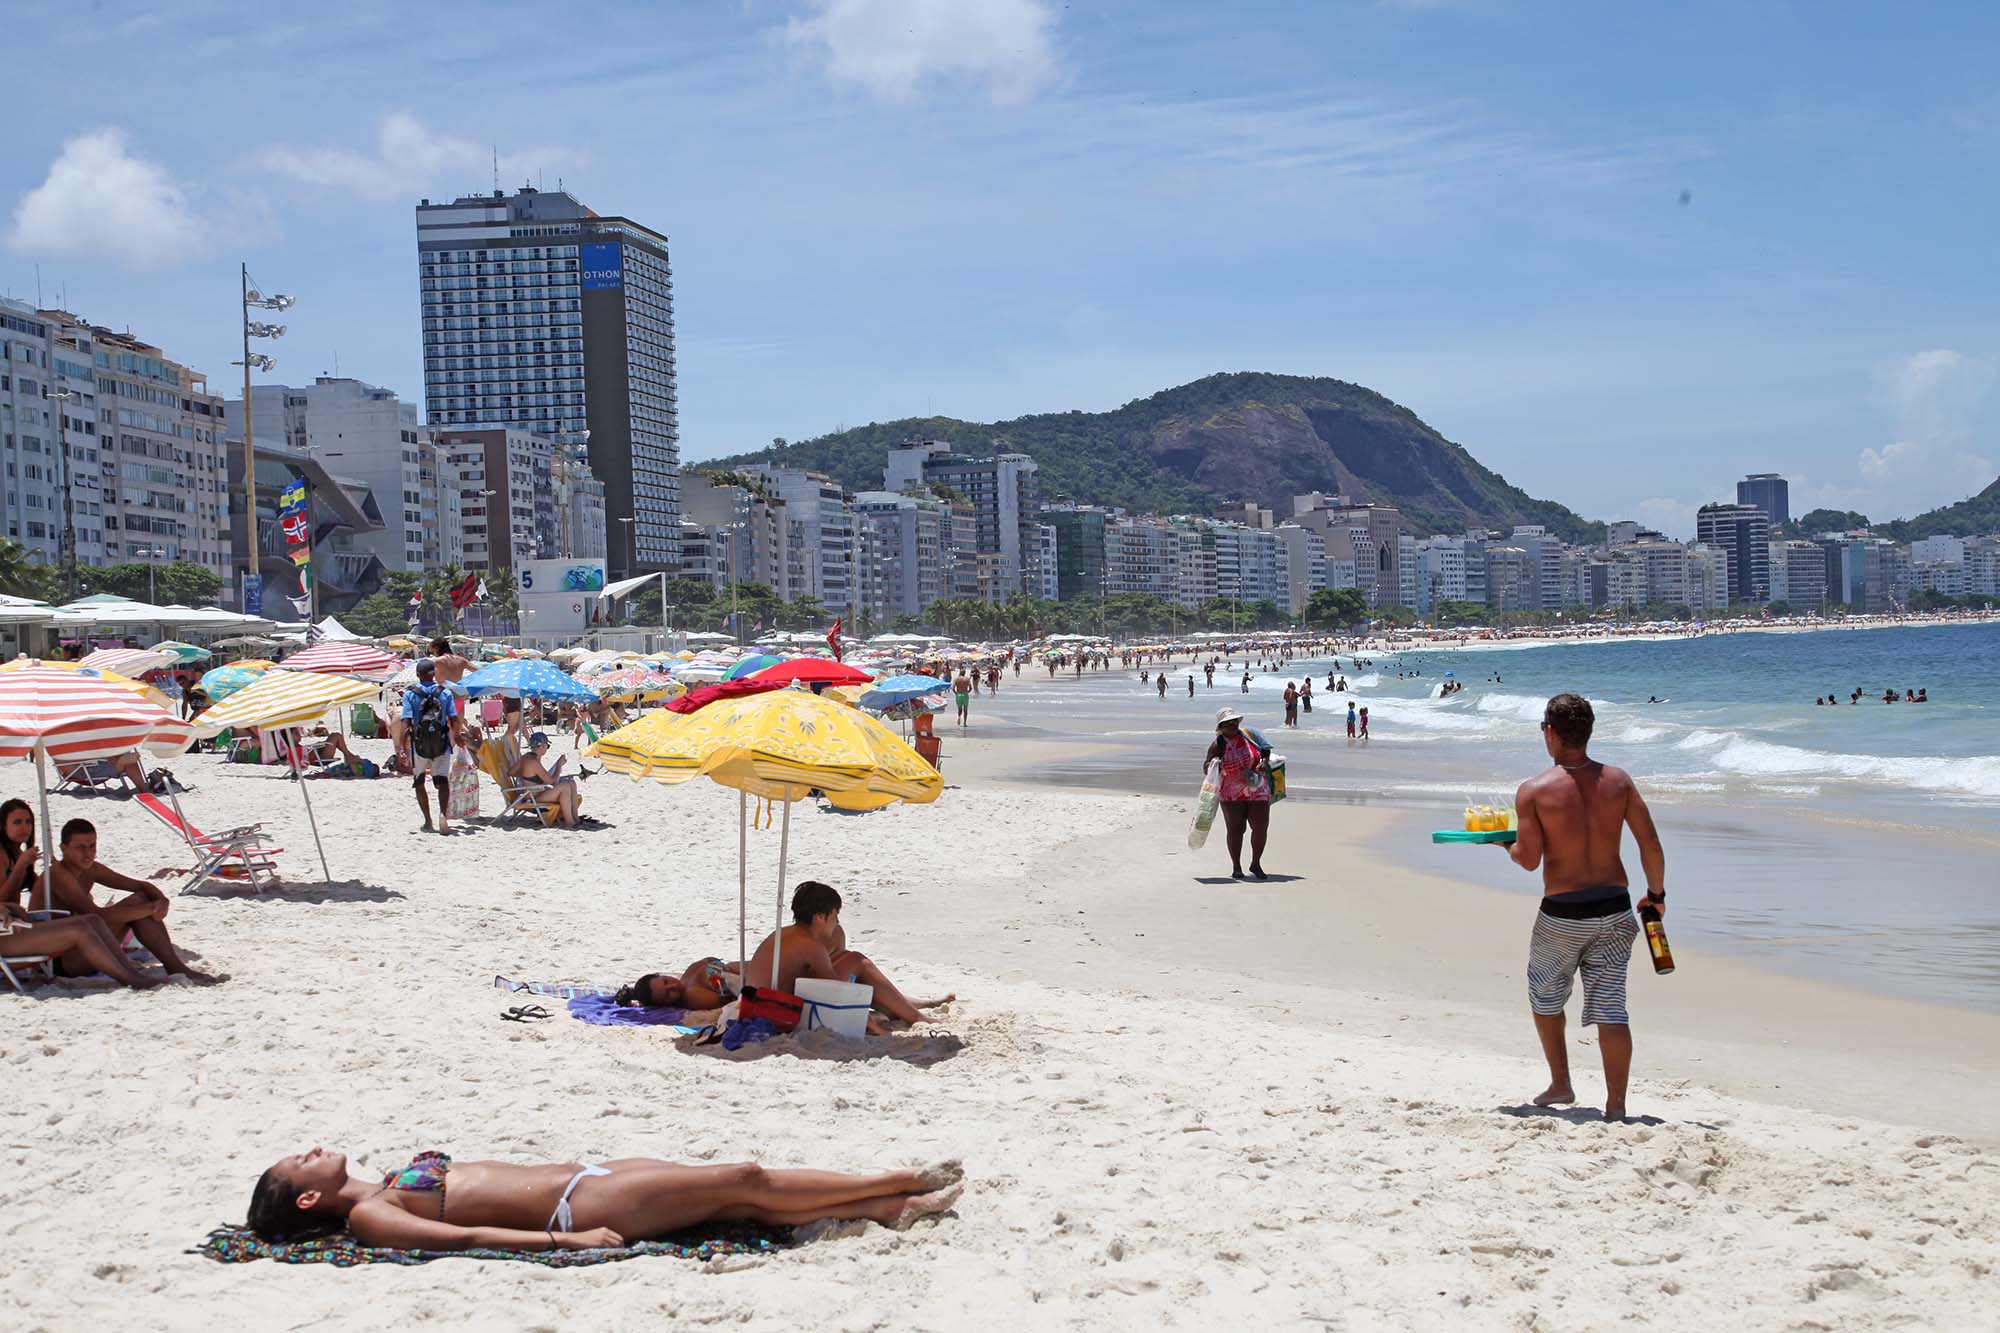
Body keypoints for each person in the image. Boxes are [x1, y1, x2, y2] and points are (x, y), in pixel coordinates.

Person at [245, 1147, 965, 1249]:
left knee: (740, 1205)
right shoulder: (371, 1214)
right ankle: (897, 1179)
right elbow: (468, 1239)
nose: (314, 1147)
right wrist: (567, 1242)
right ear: (308, 1198)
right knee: (746, 1178)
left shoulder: (378, 1185)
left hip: (588, 1174)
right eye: (301, 1161)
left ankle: (881, 1210)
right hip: (578, 1209)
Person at [1501, 693, 1666, 1122]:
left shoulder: (1534, 791)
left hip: (1563, 914)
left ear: (1551, 733)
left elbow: (1529, 859)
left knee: (1545, 994)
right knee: (1611, 1005)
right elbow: (1649, 842)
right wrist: (1657, 895)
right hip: (1615, 908)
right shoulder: (1619, 782)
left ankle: (1561, 1083)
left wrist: (1505, 843)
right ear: (1588, 732)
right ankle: (1616, 1105)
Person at [746, 881, 948, 1030]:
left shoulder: (785, 933)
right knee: (857, 961)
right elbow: (839, 991)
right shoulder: (810, 946)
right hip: (780, 1012)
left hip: (760, 1005)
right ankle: (914, 1015)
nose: (837, 921)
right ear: (819, 917)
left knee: (847, 960)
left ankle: (903, 1006)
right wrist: (872, 1027)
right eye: (835, 915)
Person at [48, 818, 222, 984]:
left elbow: (141, 885)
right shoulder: (58, 874)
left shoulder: (91, 869)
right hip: (60, 961)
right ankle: (174, 966)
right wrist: (149, 908)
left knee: (141, 899)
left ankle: (175, 966)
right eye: (80, 847)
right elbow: (96, 916)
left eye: (92, 846)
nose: (88, 853)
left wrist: (161, 900)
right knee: (139, 903)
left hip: (84, 948)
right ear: (63, 848)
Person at [1204, 708, 1271, 880]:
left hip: (1257, 787)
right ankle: (1236, 866)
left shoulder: (1251, 734)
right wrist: (1214, 764)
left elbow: (1265, 749)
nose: (1233, 725)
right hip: (1231, 791)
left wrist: (1264, 762)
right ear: (1221, 726)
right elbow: (1206, 767)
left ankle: (1256, 864)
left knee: (1260, 827)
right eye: (1228, 723)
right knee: (1236, 829)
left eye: (1235, 721)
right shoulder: (1218, 744)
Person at [402, 658, 461, 835]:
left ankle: (428, 821)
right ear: (433, 674)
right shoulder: (445, 693)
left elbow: (406, 721)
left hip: (418, 744)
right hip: (441, 743)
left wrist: (402, 747)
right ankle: (443, 814)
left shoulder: (410, 693)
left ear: (418, 675)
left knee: (419, 781)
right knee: (442, 781)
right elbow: (454, 718)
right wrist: (455, 737)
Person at [617, 957, 746, 1011]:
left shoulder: (687, 976)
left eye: (665, 981)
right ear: (664, 1004)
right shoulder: (691, 997)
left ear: (660, 974)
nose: (673, 986)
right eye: (668, 994)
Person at [513, 731, 584, 829]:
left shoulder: (526, 757)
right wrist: (559, 765)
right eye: (547, 746)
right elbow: (553, 782)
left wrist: (525, 774)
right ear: (541, 746)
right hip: (533, 798)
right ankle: (569, 821)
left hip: (537, 792)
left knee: (571, 783)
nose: (547, 748)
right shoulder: (534, 762)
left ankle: (575, 818)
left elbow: (510, 772)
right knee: (565, 787)